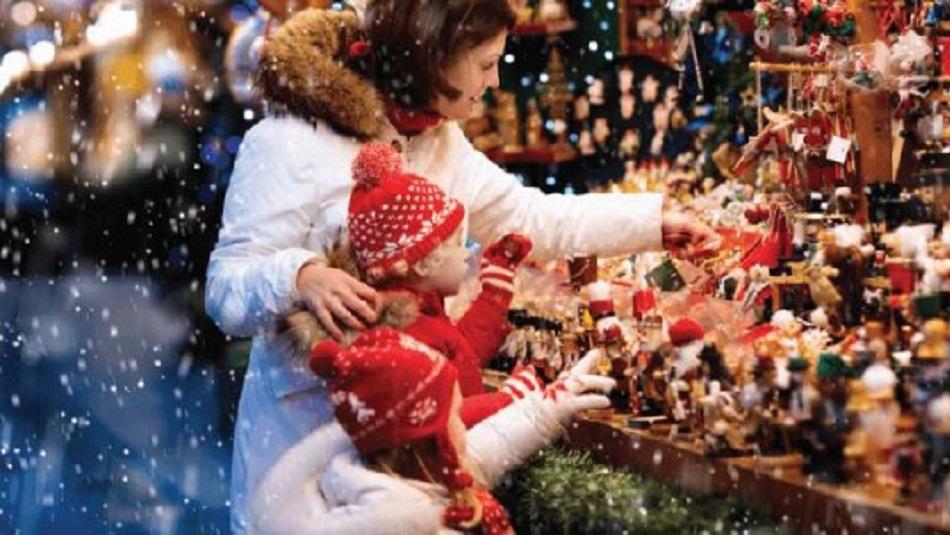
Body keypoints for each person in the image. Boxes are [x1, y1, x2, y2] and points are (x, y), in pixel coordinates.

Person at [205, 1, 717, 531]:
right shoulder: (291, 140)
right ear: (433, 56)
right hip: (304, 459)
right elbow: (226, 290)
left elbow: (528, 216)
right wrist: (301, 276)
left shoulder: (440, 139)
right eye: (485, 63)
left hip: (414, 463)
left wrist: (656, 222)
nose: (494, 82)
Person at [283, 142, 535, 426]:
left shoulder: (422, 311)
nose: (466, 253)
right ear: (424, 262)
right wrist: (510, 400)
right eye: (456, 244)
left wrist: (494, 294)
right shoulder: (410, 336)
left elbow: (462, 357)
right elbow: (444, 420)